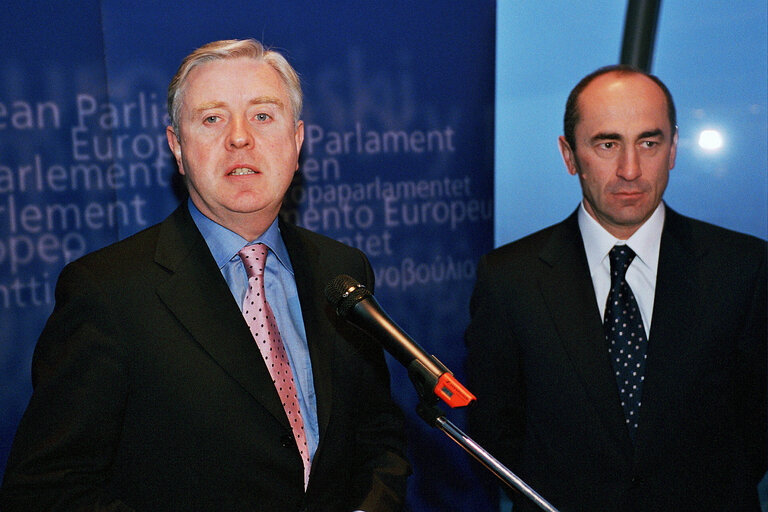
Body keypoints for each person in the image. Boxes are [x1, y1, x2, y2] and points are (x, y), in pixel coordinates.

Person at [0, 39, 410, 511]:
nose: (239, 138)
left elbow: (378, 435)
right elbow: (47, 491)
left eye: (262, 115)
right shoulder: (107, 292)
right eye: (212, 118)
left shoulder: (341, 271)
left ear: (297, 141)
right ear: (177, 146)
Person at [465, 65, 766, 511]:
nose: (630, 170)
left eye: (649, 142)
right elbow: (495, 430)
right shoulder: (509, 278)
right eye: (607, 144)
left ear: (674, 148)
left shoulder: (744, 267)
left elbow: (758, 419)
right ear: (569, 156)